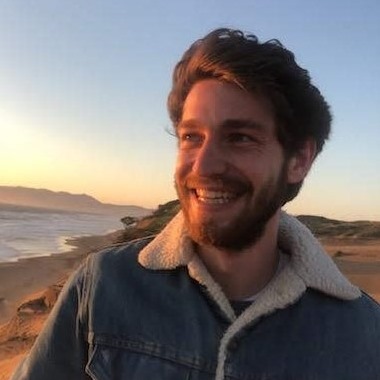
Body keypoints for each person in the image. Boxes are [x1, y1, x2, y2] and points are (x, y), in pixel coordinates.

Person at [12, 28, 380, 380]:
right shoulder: (103, 286)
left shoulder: (363, 335)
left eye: (239, 137)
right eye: (191, 136)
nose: (203, 165)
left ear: (299, 160)